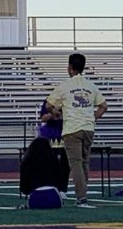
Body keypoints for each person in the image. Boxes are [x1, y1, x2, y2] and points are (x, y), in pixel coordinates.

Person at [46, 53, 108, 209]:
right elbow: (103, 106)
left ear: (70, 68)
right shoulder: (91, 86)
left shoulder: (65, 85)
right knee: (84, 162)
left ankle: (81, 197)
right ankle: (83, 193)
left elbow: (48, 104)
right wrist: (93, 117)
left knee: (76, 164)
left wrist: (55, 112)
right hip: (88, 128)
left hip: (72, 128)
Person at [19, 137, 64, 209]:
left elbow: (24, 188)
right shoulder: (54, 160)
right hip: (54, 197)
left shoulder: (27, 162)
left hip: (35, 197)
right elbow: (60, 182)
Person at [37, 100, 70, 193]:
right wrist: (53, 113)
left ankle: (63, 188)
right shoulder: (48, 101)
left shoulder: (68, 99)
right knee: (49, 162)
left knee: (65, 163)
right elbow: (43, 118)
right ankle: (50, 185)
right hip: (51, 134)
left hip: (66, 132)